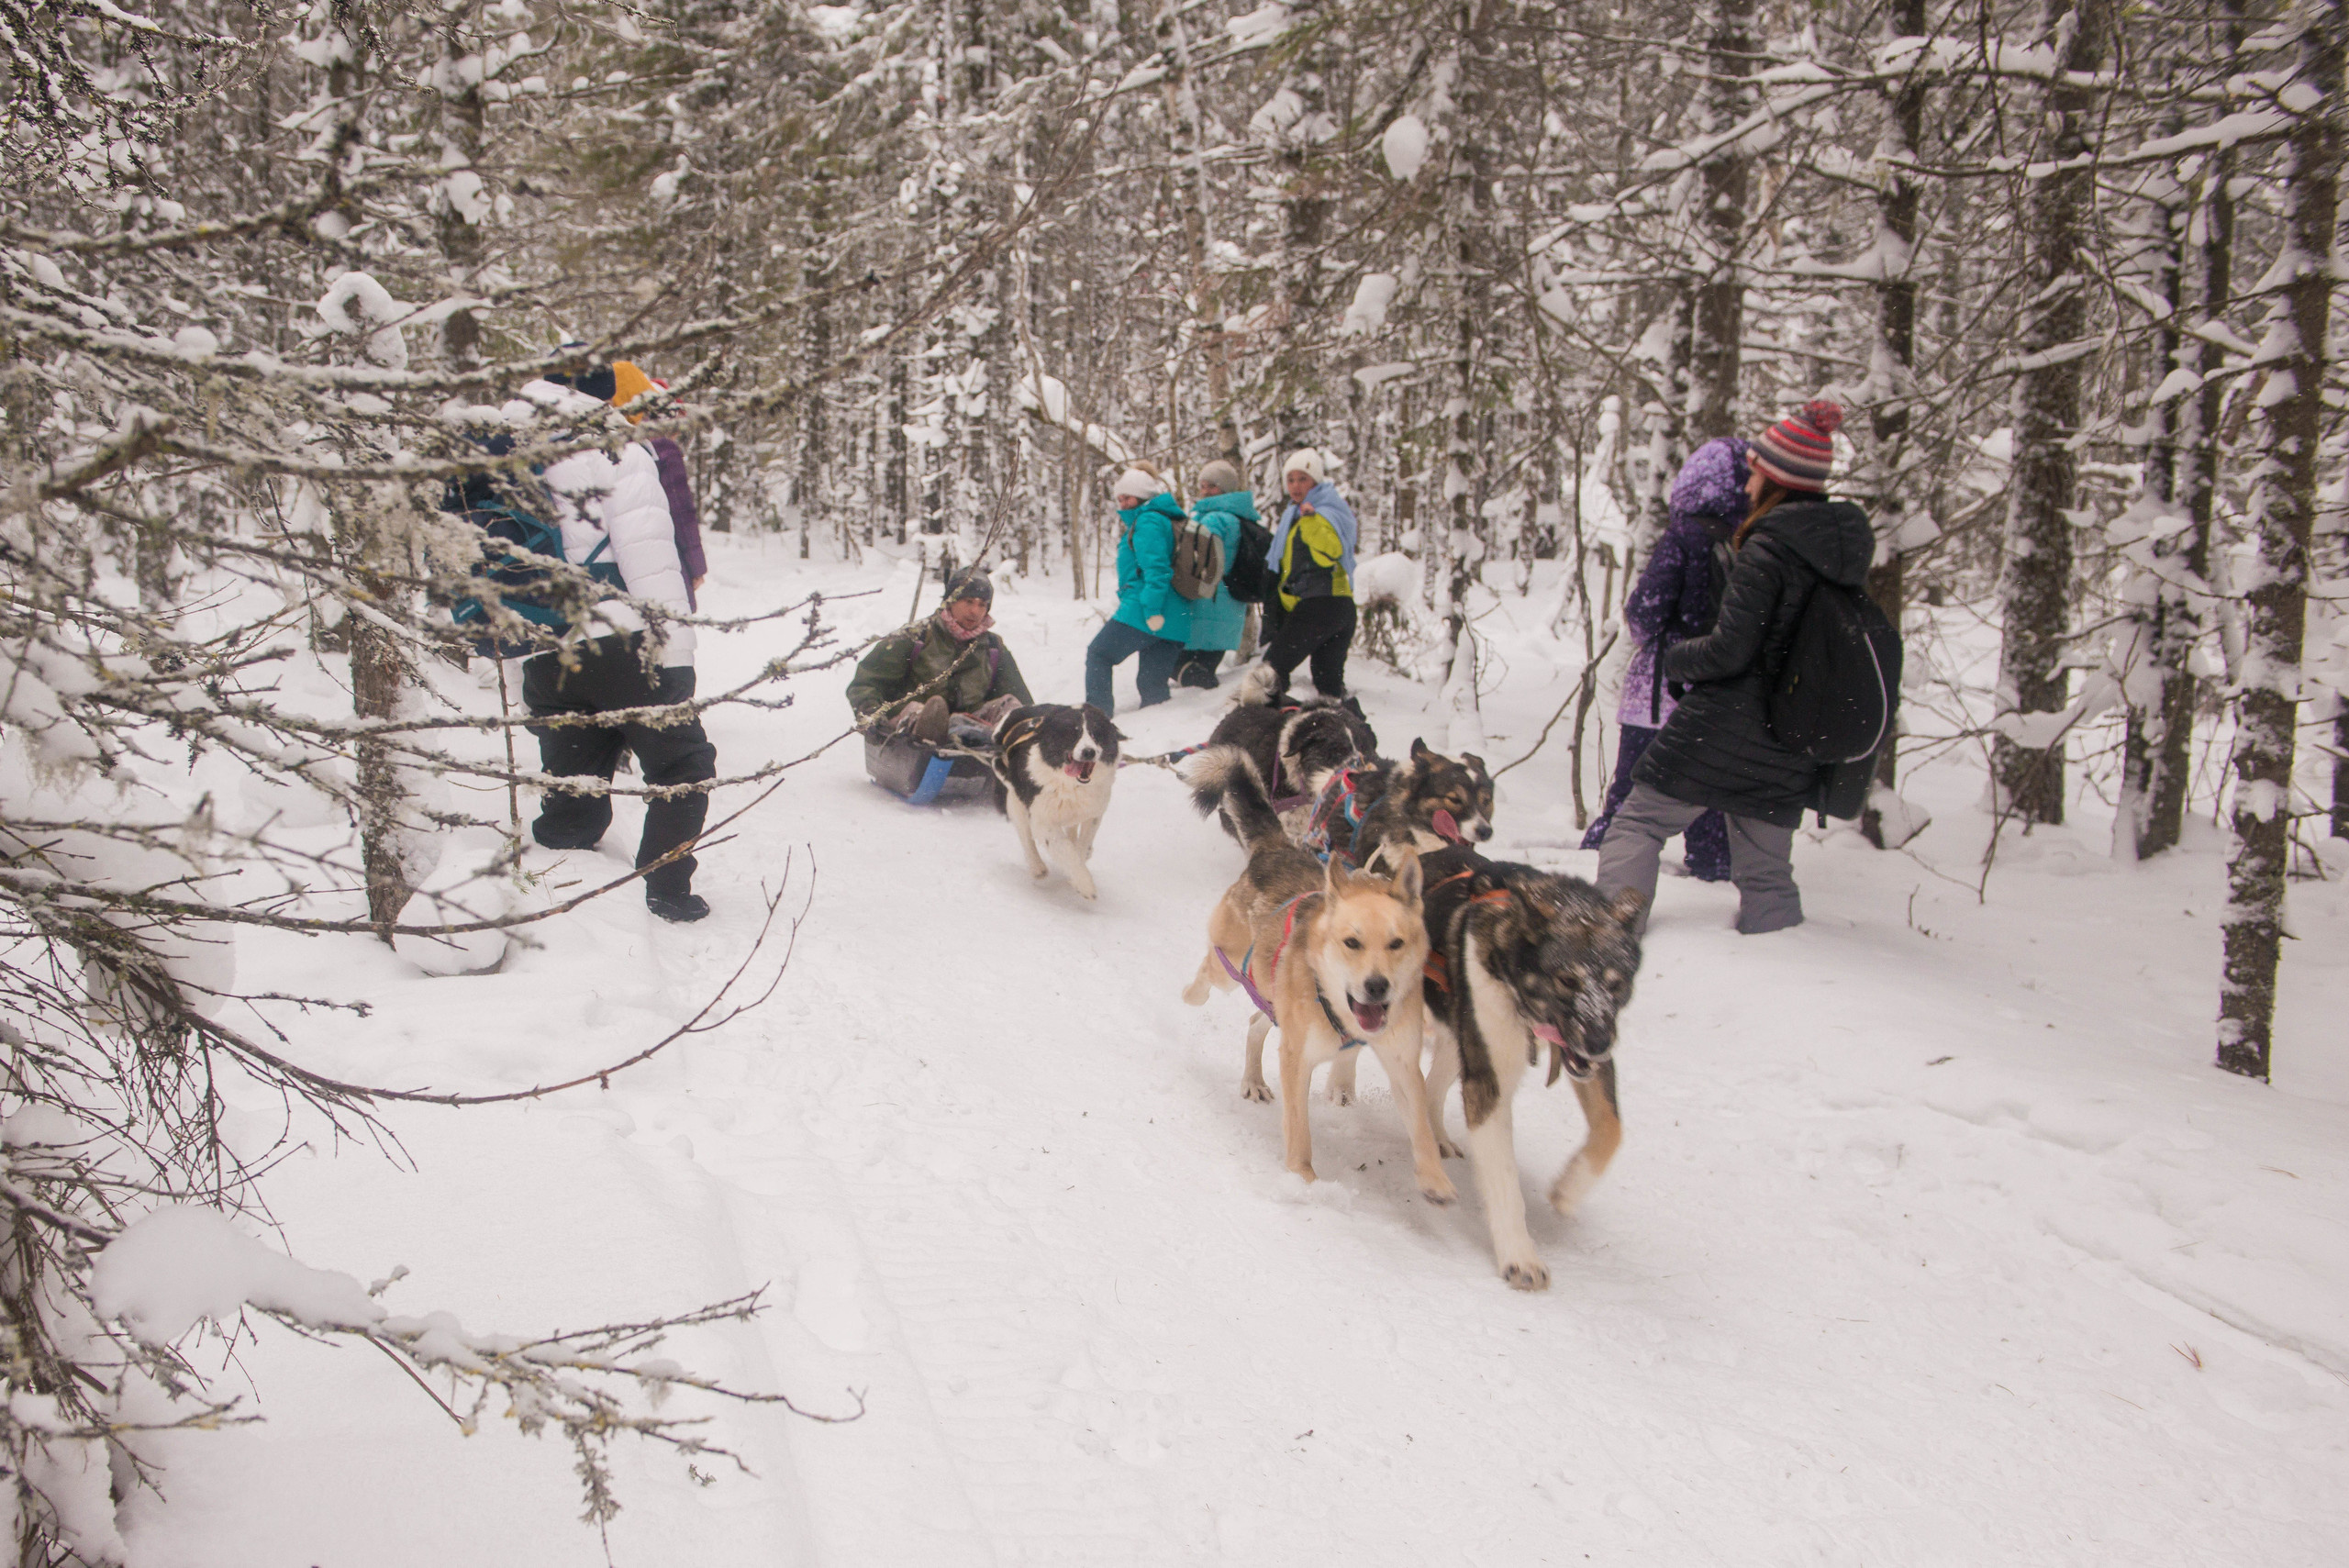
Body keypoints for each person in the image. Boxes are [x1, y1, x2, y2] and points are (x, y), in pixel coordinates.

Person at [1595, 400, 1871, 936]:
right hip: (1790, 739)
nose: (1746, 487)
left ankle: (1607, 939)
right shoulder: (1838, 554)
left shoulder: (1769, 547)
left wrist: (1676, 656)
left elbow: (1731, 650)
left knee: (1638, 821)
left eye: (1756, 474)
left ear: (1778, 481)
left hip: (1725, 728)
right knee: (1766, 872)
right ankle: (1779, 965)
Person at [518, 375, 718, 924]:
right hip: (623, 636)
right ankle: (666, 889)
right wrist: (674, 652)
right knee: (683, 765)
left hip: (543, 640)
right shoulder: (614, 446)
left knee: (574, 775)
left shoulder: (506, 442)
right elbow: (648, 555)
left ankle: (562, 886)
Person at [1582, 438, 1743, 883]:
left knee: (1632, 793)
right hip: (1714, 692)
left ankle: (1598, 865)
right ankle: (1713, 873)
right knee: (1707, 794)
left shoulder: (1683, 537)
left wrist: (1643, 630)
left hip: (1657, 690)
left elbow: (1646, 610)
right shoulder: (1744, 541)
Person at [846, 570, 1033, 745]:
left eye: (982, 605)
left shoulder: (993, 647)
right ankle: (934, 740)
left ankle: (1010, 756)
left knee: (1010, 706)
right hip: (914, 725)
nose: (975, 611)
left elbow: (1021, 698)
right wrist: (870, 713)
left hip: (972, 723)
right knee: (932, 709)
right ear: (950, 601)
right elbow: (866, 683)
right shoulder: (915, 637)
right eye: (968, 601)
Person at [1085, 468, 1193, 715]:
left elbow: (1157, 570)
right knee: (1152, 687)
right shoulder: (1166, 518)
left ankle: (1096, 718)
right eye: (1120, 499)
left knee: (1099, 654)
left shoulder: (1148, 521)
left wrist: (1152, 610)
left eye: (1129, 498)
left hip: (1148, 612)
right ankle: (1155, 735)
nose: (1123, 504)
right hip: (1176, 618)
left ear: (1143, 497)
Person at [607, 361, 708, 609]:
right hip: (663, 554)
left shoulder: (600, 441)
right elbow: (681, 509)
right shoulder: (661, 447)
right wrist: (696, 566)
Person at [1264, 448, 1358, 701]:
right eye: (1291, 479)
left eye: (1303, 479)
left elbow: (1331, 553)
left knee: (1271, 670)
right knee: (1328, 683)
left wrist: (1312, 520)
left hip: (1321, 605)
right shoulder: (1296, 515)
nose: (1295, 485)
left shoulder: (1320, 513)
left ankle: (1266, 722)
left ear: (1315, 481)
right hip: (1338, 607)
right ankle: (1338, 729)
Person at [1176, 459, 1254, 690]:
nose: (1206, 491)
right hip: (1225, 609)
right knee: (1199, 673)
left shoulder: (1215, 519)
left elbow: (1195, 560)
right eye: (1202, 486)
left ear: (1227, 488)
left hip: (1206, 607)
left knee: (1184, 670)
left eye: (1213, 485)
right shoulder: (1236, 516)